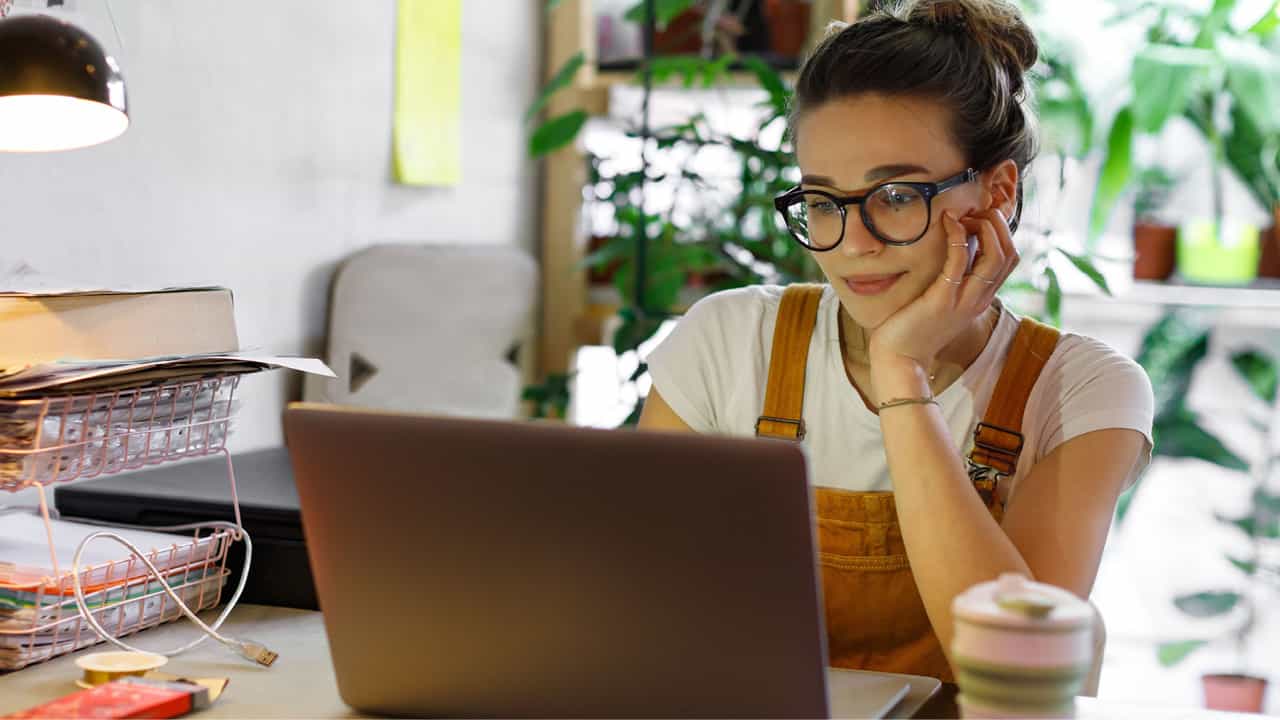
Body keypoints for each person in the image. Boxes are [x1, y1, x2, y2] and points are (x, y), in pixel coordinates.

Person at [639, 0, 1154, 682]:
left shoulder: (1081, 391)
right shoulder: (729, 340)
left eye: (897, 196)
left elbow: (1020, 671)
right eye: (824, 203)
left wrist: (901, 373)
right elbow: (639, 610)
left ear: (997, 192)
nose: (852, 244)